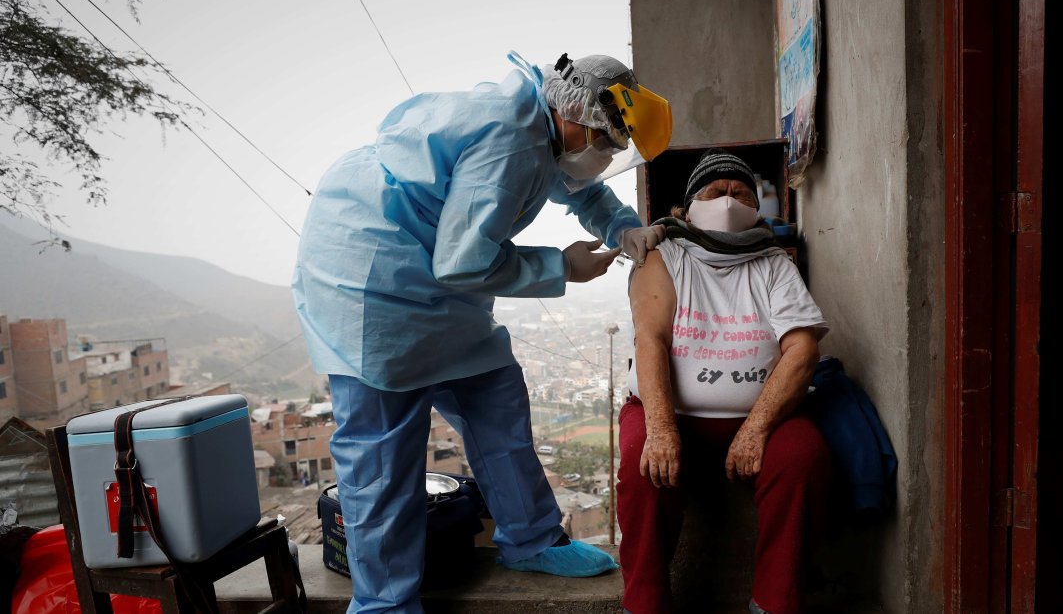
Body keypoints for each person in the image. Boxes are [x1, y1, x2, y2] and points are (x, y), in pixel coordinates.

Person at [292, 51, 671, 613]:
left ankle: (531, 538)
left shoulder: (547, 132)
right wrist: (562, 267)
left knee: (495, 397)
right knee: (382, 455)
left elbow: (583, 190)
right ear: (576, 115)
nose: (606, 154)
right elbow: (463, 262)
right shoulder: (512, 143)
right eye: (606, 142)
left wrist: (624, 228)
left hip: (433, 272)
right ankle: (384, 603)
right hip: (373, 277)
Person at [618, 150, 832, 614]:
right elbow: (651, 338)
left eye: (741, 194)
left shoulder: (774, 263)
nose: (729, 201)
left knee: (802, 457)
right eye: (716, 192)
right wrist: (661, 429)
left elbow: (802, 350)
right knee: (641, 464)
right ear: (686, 208)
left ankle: (774, 602)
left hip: (759, 417)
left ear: (758, 209)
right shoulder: (663, 257)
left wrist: (756, 428)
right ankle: (645, 602)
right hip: (671, 413)